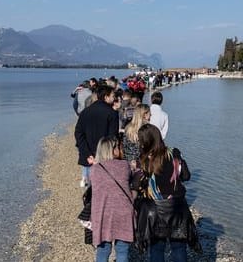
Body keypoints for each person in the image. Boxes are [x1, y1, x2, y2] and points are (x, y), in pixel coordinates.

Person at [134, 124, 197, 261]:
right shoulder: (174, 153)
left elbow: (137, 184)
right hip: (177, 207)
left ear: (145, 142)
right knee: (179, 247)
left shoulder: (144, 160)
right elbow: (186, 176)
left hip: (155, 210)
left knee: (157, 248)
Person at [90, 135, 134, 262]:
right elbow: (130, 177)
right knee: (122, 251)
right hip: (123, 213)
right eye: (118, 147)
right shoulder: (125, 166)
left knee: (103, 250)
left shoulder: (94, 170)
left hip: (103, 213)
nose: (120, 149)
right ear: (112, 149)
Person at [75, 84, 120, 187]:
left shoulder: (85, 112)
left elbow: (78, 133)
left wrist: (86, 152)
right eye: (113, 96)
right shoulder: (112, 113)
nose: (114, 99)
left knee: (90, 185)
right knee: (103, 185)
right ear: (106, 97)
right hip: (105, 155)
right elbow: (113, 137)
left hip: (88, 154)